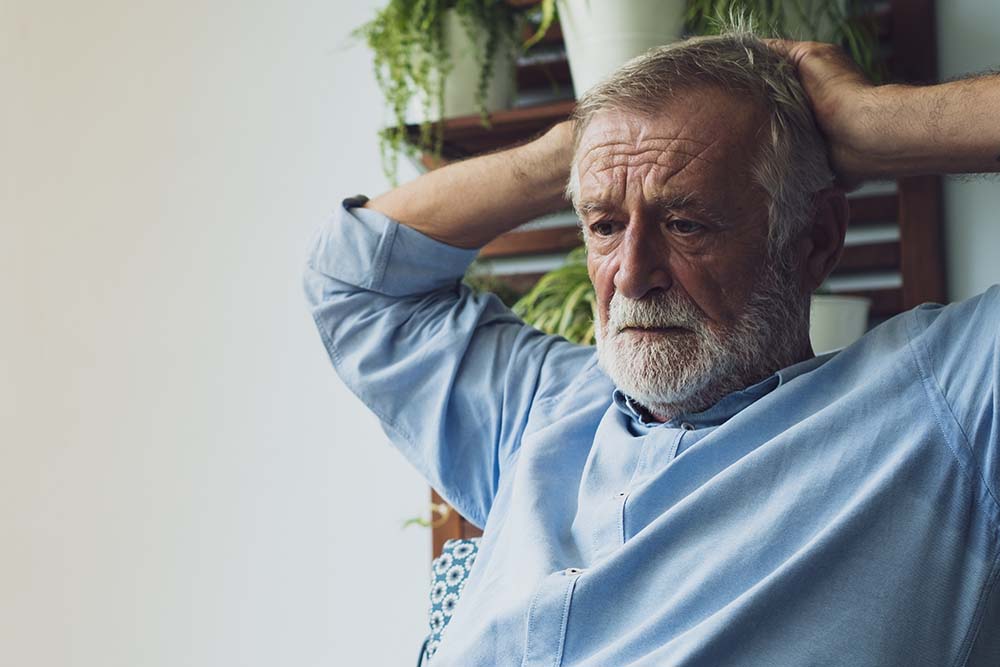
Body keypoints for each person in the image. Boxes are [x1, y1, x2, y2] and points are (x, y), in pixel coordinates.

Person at [304, 29, 1000, 666]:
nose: (632, 273)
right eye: (605, 224)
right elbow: (354, 282)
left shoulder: (938, 408)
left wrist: (878, 122)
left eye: (686, 222)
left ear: (814, 238)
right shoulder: (540, 408)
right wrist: (578, 146)